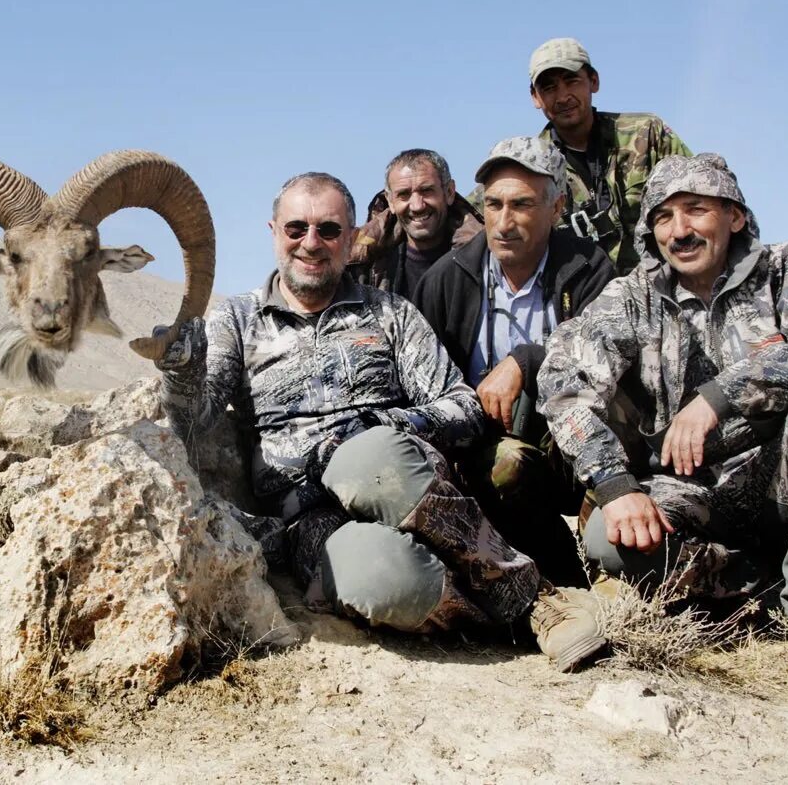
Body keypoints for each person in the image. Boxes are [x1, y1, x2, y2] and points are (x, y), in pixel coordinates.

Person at [158, 171, 606, 671]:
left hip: (399, 477)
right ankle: (499, 620)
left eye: (329, 230)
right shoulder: (236, 320)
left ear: (351, 238)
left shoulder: (391, 314)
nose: (311, 243)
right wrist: (179, 371)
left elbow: (461, 406)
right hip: (308, 515)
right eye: (296, 229)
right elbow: (195, 420)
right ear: (273, 232)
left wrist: (378, 426)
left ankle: (537, 602)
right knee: (384, 581)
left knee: (366, 455)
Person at [539, 153, 788, 694]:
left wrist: (718, 397)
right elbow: (562, 381)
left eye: (695, 210)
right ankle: (758, 584)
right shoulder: (634, 295)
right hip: (689, 487)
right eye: (663, 218)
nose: (680, 230)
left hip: (787, 480)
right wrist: (614, 484)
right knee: (609, 540)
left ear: (735, 216)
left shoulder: (785, 270)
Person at [416, 137, 614, 587]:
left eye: (521, 205)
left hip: (581, 437)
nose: (503, 222)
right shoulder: (445, 280)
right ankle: (563, 578)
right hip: (492, 450)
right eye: (493, 204)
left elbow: (606, 347)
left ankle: (602, 544)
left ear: (557, 207)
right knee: (503, 463)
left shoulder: (590, 267)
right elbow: (424, 381)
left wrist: (524, 360)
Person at [529, 37, 692, 274]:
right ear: (535, 97)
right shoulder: (530, 166)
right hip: (582, 301)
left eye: (572, 81)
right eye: (549, 88)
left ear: (593, 81)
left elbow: (703, 198)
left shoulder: (648, 133)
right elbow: (475, 216)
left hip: (662, 287)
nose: (563, 97)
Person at [350, 149, 480, 299]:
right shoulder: (360, 264)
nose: (417, 206)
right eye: (404, 194)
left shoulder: (484, 260)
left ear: (449, 192)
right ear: (390, 201)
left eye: (426, 191)